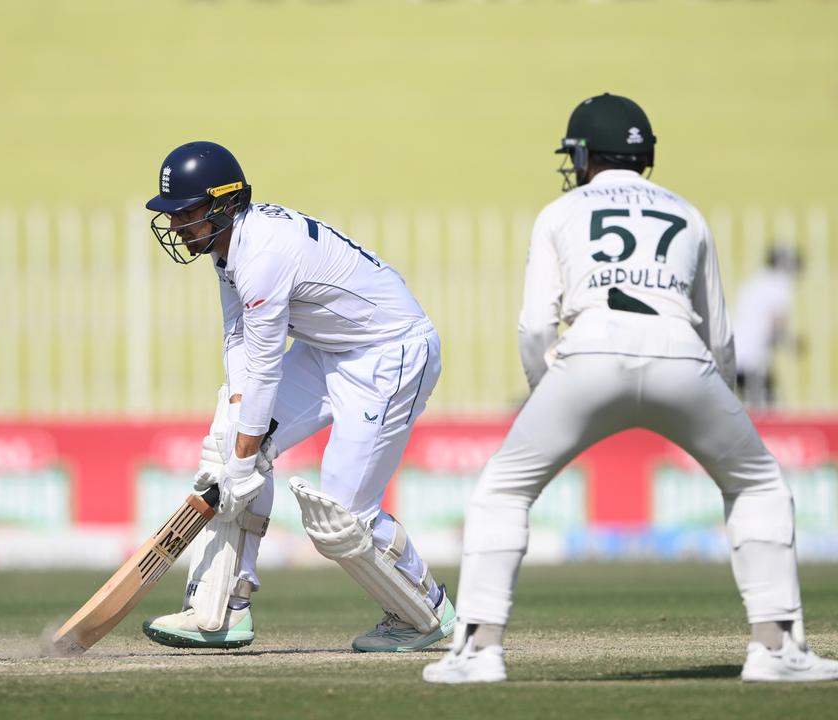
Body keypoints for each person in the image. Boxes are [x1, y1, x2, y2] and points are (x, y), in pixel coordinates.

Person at [423, 94, 838, 683]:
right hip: (682, 355)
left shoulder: (560, 213)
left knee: (501, 493)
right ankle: (777, 648)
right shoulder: (688, 212)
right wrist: (716, 408)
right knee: (759, 485)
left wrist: (549, 393)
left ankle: (477, 651)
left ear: (587, 154)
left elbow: (536, 325)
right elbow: (720, 335)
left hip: (589, 353)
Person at [139, 141, 453, 652]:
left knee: (341, 518)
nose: (177, 226)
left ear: (222, 204)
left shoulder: (262, 255)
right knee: (228, 443)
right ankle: (220, 611)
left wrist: (245, 465)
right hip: (326, 350)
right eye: (173, 215)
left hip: (389, 353)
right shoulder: (229, 247)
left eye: (187, 213)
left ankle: (424, 610)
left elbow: (263, 366)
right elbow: (239, 343)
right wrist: (240, 455)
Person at [733, 246, 803, 408]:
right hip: (752, 358)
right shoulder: (779, 285)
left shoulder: (756, 282)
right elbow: (776, 325)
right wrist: (791, 344)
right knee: (766, 409)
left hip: (736, 354)